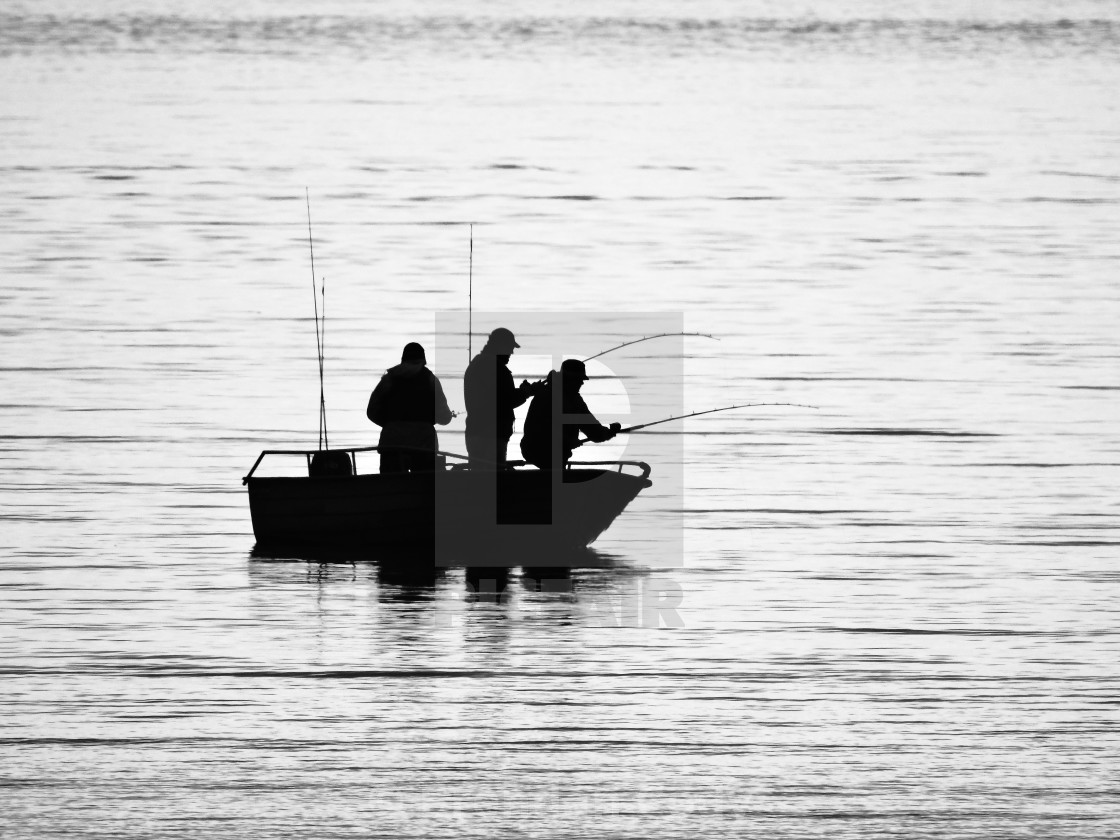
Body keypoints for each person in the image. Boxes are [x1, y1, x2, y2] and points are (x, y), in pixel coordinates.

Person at [367, 342, 453, 474]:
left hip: (392, 444)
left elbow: (371, 411)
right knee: (423, 487)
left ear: (403, 359)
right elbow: (445, 417)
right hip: (423, 445)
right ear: (423, 360)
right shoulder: (431, 380)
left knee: (390, 486)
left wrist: (391, 424)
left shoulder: (388, 378)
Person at [520, 358, 620, 471]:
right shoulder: (546, 396)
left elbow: (593, 430)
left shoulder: (576, 400)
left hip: (559, 453)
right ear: (568, 380)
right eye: (579, 380)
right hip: (536, 449)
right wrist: (566, 441)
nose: (582, 383)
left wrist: (609, 432)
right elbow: (538, 431)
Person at [463, 327, 536, 469]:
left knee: (480, 478)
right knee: (493, 481)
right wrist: (526, 392)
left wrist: (523, 391)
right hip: (490, 436)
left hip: (476, 432)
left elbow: (496, 396)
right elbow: (505, 400)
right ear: (501, 346)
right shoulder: (494, 367)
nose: (511, 352)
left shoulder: (478, 363)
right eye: (510, 348)